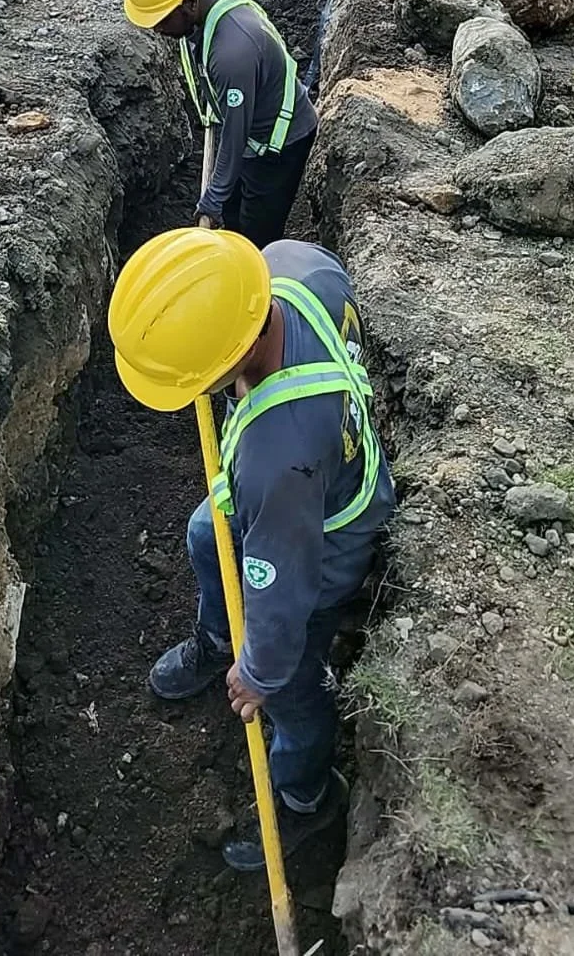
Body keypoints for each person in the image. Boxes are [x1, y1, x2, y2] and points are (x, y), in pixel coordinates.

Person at [107, 227, 395, 871]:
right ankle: (217, 642)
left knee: (291, 684)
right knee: (206, 534)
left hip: (325, 542)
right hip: (314, 480)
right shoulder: (294, 264)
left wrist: (259, 672)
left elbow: (284, 586)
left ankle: (306, 796)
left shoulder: (277, 460)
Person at [122, 0, 317, 248]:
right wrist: (220, 196)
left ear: (190, 3)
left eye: (160, 20)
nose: (156, 29)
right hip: (247, 119)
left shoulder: (231, 53)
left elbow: (235, 135)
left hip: (278, 144)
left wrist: (211, 198)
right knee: (232, 209)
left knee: (257, 236)